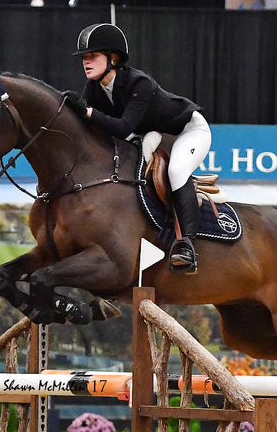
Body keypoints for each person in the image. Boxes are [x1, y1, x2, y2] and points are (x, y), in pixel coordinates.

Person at [64, 22, 211, 274]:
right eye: (84, 58)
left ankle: (187, 245)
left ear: (113, 58)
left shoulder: (138, 83)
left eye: (92, 56)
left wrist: (86, 111)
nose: (85, 62)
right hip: (152, 135)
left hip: (187, 130)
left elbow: (122, 128)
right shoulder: (94, 87)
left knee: (176, 171)